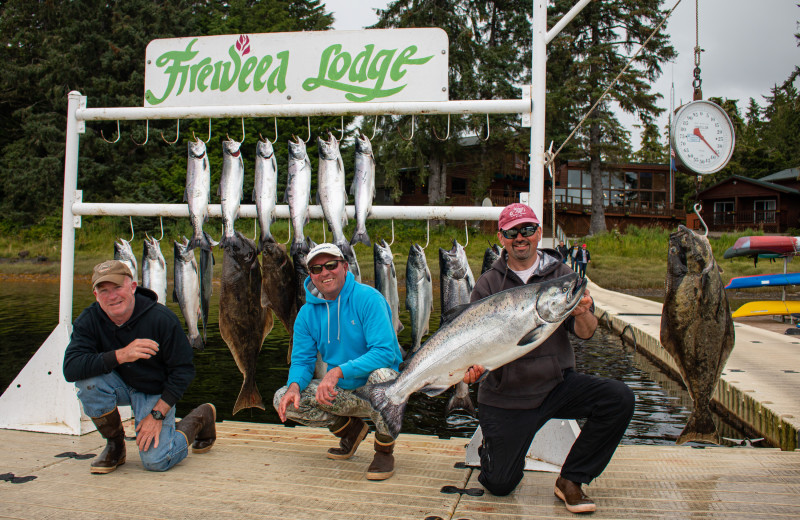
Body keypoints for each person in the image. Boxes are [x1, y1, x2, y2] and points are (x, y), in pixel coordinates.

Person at [462, 203, 634, 514]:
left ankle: (571, 480)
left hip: (555, 385)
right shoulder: (488, 283)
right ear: (501, 237)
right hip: (505, 396)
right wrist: (473, 368)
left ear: (539, 232)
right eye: (512, 232)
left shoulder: (563, 275)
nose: (520, 237)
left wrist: (582, 313)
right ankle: (495, 449)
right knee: (499, 485)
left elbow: (586, 332)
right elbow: (472, 342)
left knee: (618, 398)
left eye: (527, 229)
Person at [63, 260, 216, 474]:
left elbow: (183, 370)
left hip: (154, 391)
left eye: (117, 287)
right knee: (88, 384)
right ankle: (115, 445)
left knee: (157, 461)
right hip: (119, 386)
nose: (112, 296)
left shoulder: (161, 319)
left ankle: (200, 417)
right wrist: (121, 355)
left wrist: (157, 415)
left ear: (133, 287)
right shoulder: (89, 320)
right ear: (96, 295)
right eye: (104, 290)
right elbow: (70, 368)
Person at [274, 243, 404, 481]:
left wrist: (336, 373)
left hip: (377, 389)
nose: (324, 272)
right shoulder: (305, 314)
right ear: (311, 275)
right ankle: (351, 431)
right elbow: (302, 362)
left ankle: (384, 450)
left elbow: (385, 353)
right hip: (343, 392)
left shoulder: (369, 299)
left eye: (331, 265)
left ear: (345, 267)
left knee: (386, 377)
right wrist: (294, 386)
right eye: (316, 268)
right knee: (282, 397)